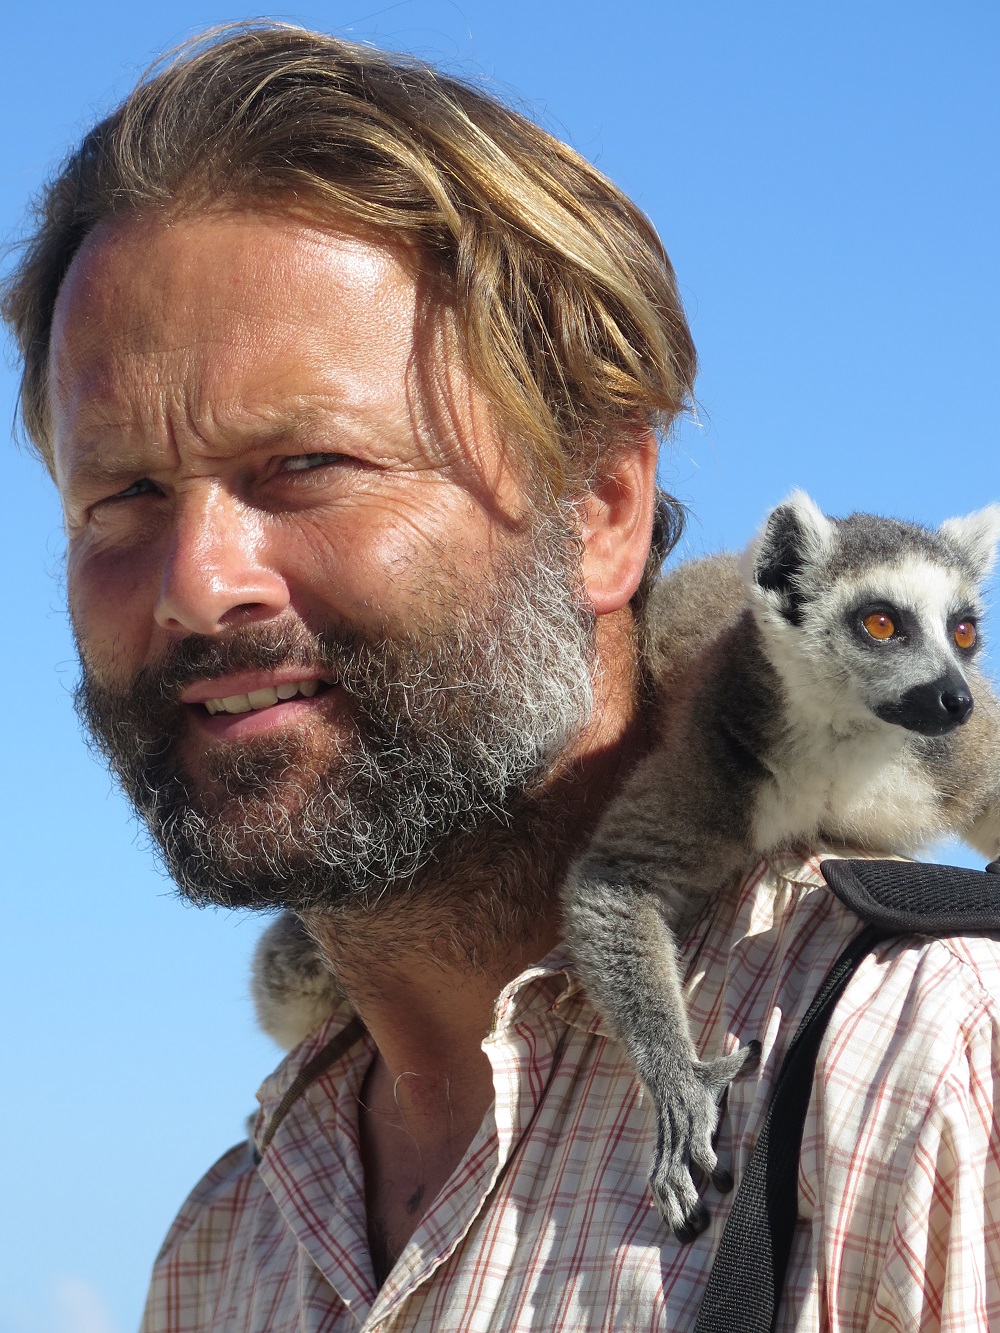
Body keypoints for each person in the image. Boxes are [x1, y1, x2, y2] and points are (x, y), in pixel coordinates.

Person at [5, 22, 999, 1332]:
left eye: (306, 465)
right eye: (121, 494)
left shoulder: (915, 1078)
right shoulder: (232, 1246)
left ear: (600, 507)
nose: (199, 581)